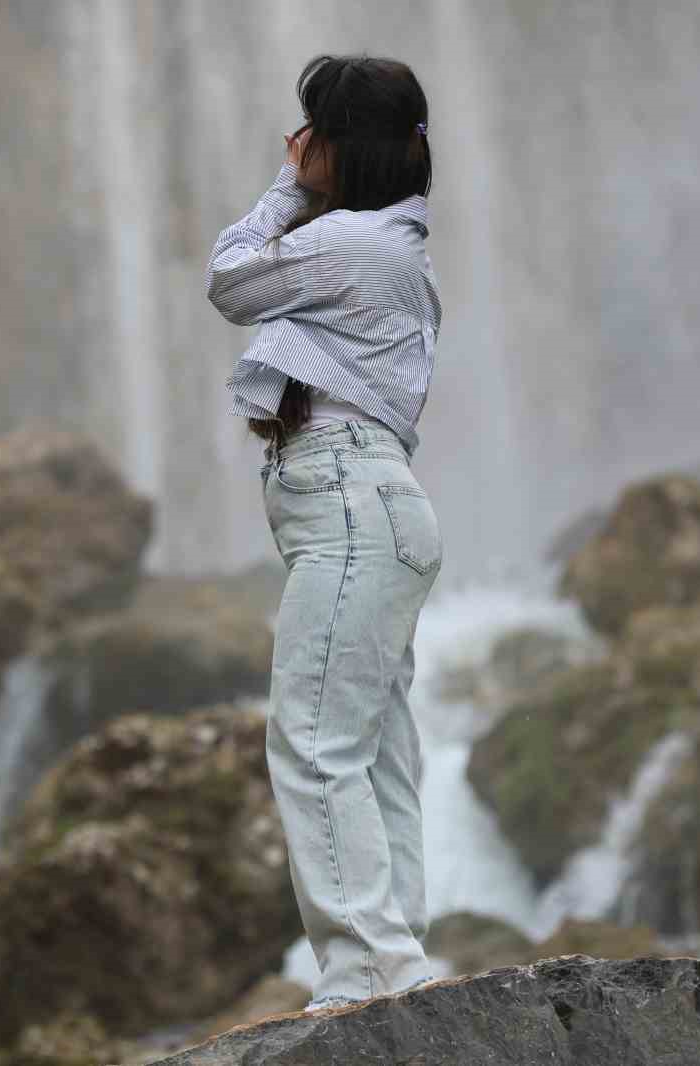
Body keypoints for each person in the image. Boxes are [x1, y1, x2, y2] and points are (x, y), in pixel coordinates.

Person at [205, 53, 442, 1012]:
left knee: (312, 742)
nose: (300, 146)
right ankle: (398, 964)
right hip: (371, 505)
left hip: (347, 503)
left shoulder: (352, 245)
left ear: (340, 151)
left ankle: (361, 972)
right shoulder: (392, 243)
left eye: (314, 134)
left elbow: (230, 282)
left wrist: (282, 185)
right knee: (374, 747)